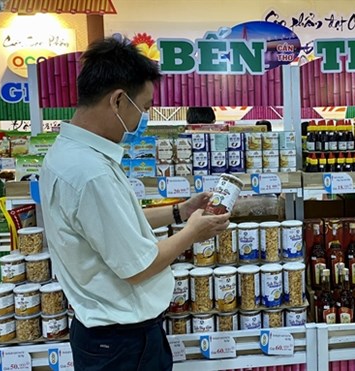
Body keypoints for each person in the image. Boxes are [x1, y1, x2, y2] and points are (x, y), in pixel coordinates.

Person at [39, 37, 230, 371]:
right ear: (117, 101)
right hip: (122, 344)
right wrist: (192, 232)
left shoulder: (70, 154)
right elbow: (138, 267)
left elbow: (114, 224)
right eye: (143, 106)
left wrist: (179, 211)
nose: (143, 116)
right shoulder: (90, 172)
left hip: (105, 337)